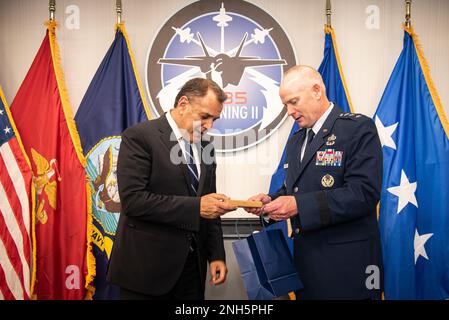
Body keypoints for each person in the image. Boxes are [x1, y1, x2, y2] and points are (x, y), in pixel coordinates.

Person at [245, 66, 383, 299]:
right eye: (285, 105)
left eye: (294, 102)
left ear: (317, 91)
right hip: (305, 266)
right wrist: (270, 201)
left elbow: (363, 194)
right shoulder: (297, 140)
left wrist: (298, 205)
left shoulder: (357, 128)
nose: (289, 111)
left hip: (347, 268)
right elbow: (295, 190)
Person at [107, 78, 237, 300]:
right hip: (146, 273)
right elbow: (134, 201)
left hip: (192, 272)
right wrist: (197, 207)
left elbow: (210, 205)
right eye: (205, 117)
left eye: (214, 119)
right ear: (183, 104)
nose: (209, 126)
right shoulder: (139, 136)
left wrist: (216, 254)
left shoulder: (206, 147)